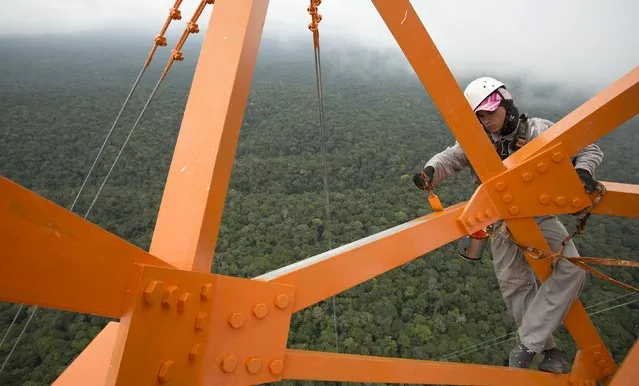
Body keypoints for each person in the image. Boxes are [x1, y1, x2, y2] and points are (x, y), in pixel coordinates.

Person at [412, 76, 604, 373]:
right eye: (479, 116)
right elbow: (452, 156)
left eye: (489, 112)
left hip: (537, 214)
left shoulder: (538, 130)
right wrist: (430, 171)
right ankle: (548, 351)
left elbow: (589, 149)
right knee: (514, 285)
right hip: (501, 218)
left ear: (505, 104)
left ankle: (528, 345)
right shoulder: (480, 140)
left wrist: (582, 173)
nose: (485, 121)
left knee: (573, 268)